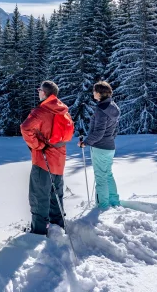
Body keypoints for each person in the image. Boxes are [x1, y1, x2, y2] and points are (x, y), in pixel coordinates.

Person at [20, 80, 74, 236]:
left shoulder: (41, 110)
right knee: (56, 193)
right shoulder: (62, 109)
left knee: (39, 195)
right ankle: (58, 224)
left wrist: (37, 145)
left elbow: (25, 128)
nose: (38, 92)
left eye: (39, 90)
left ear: (44, 93)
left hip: (43, 159)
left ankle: (38, 231)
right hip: (59, 158)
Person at [79, 81, 121, 209]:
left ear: (99, 93)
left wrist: (85, 142)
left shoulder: (101, 110)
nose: (93, 93)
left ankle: (103, 205)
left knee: (101, 177)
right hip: (110, 146)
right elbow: (115, 129)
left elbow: (99, 132)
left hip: (100, 147)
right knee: (108, 174)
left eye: (94, 91)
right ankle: (114, 201)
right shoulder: (113, 107)